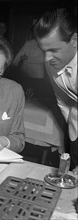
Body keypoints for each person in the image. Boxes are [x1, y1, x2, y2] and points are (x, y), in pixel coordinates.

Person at [33, 8, 77, 173]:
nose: (46, 59)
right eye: (43, 50)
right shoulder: (50, 63)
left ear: (74, 40)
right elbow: (63, 102)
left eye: (53, 50)